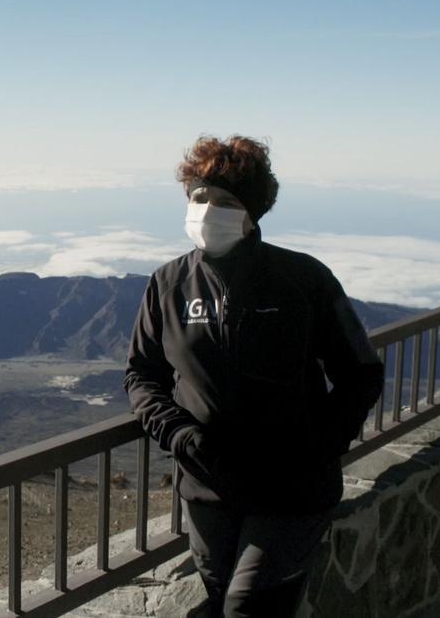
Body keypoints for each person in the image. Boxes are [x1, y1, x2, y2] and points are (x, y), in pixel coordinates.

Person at [123, 135, 384, 617]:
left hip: (292, 489)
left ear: (253, 212)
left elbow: (361, 372)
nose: (206, 210)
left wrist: (319, 447)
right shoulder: (168, 284)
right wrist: (180, 435)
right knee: (228, 600)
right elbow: (142, 375)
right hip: (208, 491)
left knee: (248, 607)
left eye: (223, 201)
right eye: (199, 197)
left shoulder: (304, 279)